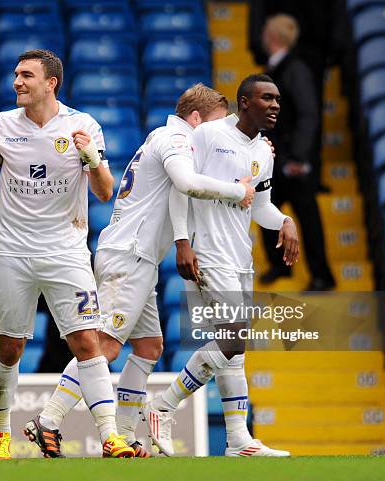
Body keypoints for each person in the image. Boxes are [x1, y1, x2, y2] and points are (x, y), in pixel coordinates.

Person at [25, 84, 256, 458]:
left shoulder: (165, 137)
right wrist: (235, 190)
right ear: (195, 119)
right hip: (129, 257)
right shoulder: (175, 140)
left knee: (150, 346)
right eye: (213, 125)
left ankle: (129, 434)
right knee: (106, 346)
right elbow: (186, 183)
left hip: (137, 257)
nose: (217, 135)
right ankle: (48, 420)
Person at [0, 49, 135, 460]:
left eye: (26, 75)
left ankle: (110, 437)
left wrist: (91, 157)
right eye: (16, 75)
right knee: (9, 350)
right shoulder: (2, 125)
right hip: (13, 252)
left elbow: (105, 191)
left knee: (87, 342)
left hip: (65, 250)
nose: (17, 82)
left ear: (51, 82)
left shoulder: (82, 125)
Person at [143, 74, 298, 457]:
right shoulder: (209, 135)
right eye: (267, 98)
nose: (275, 105)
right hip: (207, 252)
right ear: (244, 102)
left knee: (235, 349)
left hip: (240, 256)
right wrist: (182, 242)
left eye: (277, 98)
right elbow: (183, 185)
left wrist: (286, 222)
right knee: (232, 336)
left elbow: (259, 206)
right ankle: (163, 405)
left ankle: (238, 440)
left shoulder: (263, 151)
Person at [258, 14, 335, 291]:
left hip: (293, 162)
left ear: (273, 37)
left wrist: (299, 157)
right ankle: (280, 266)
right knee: (266, 211)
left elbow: (308, 115)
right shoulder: (277, 68)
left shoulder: (295, 69)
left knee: (308, 218)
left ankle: (322, 275)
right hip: (276, 160)